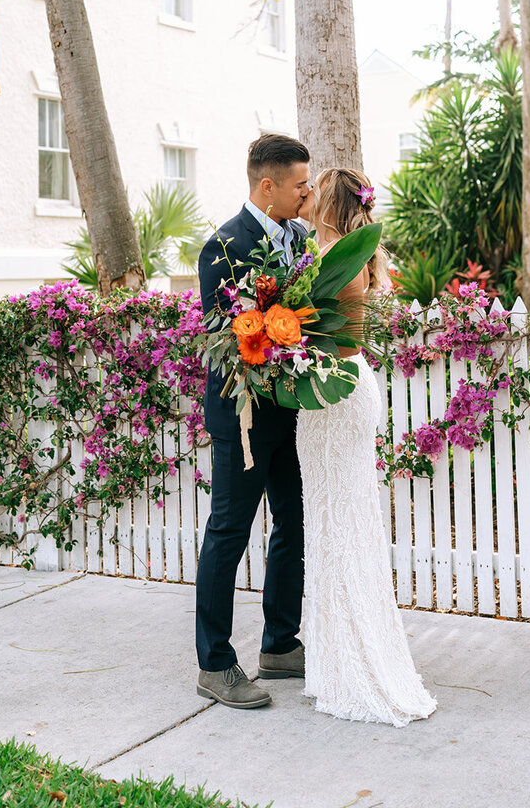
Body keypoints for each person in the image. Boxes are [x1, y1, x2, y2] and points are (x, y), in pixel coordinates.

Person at [296, 167, 438, 727]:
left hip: (335, 392)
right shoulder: (331, 251)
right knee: (337, 520)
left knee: (340, 520)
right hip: (345, 384)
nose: (305, 193)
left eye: (314, 188)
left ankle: (358, 662)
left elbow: (313, 331)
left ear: (330, 201)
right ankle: (338, 656)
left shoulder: (335, 258)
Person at [195, 133, 311, 709]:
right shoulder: (221, 247)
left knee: (294, 523)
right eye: (298, 184)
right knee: (229, 533)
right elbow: (228, 337)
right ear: (268, 187)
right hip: (242, 417)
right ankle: (215, 664)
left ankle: (279, 645)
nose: (306, 193)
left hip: (292, 415)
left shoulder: (300, 242)